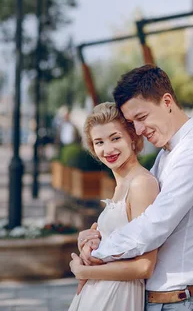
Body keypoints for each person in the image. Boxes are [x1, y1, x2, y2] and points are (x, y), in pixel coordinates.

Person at [77, 65, 193, 311]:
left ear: (167, 101)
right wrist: (95, 237)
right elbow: (134, 218)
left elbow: (152, 226)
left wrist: (95, 256)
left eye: (141, 118)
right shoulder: (168, 154)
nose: (139, 131)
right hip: (161, 300)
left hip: (179, 303)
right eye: (132, 123)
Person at [68, 102, 160, 311]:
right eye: (99, 142)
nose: (107, 149)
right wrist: (91, 243)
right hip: (99, 293)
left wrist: (84, 272)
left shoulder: (141, 184)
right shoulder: (121, 184)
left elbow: (144, 266)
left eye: (115, 138)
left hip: (118, 296)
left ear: (133, 138)